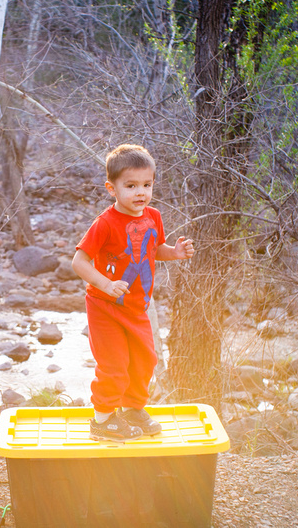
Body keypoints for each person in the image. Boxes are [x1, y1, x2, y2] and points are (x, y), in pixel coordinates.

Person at [72, 144, 195, 442]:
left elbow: (155, 249)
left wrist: (174, 253)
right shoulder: (104, 224)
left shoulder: (152, 215)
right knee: (114, 366)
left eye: (146, 184)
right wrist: (105, 284)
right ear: (111, 188)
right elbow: (79, 262)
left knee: (144, 362)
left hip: (137, 307)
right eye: (130, 186)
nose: (140, 192)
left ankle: (131, 410)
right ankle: (102, 421)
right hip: (105, 307)